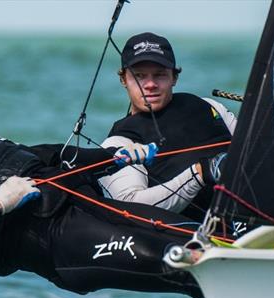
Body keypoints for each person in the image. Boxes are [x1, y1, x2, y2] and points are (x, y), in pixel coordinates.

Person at [0, 88, 203, 298]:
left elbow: (46, 154)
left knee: (200, 240)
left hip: (96, 209)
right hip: (64, 248)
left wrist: (113, 159)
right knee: (183, 260)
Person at [96, 32, 237, 224]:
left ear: (174, 77)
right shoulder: (119, 142)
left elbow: (253, 149)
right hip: (206, 234)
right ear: (123, 80)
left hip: (260, 211)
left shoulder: (210, 106)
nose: (151, 84)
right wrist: (201, 173)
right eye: (139, 76)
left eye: (160, 75)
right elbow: (131, 207)